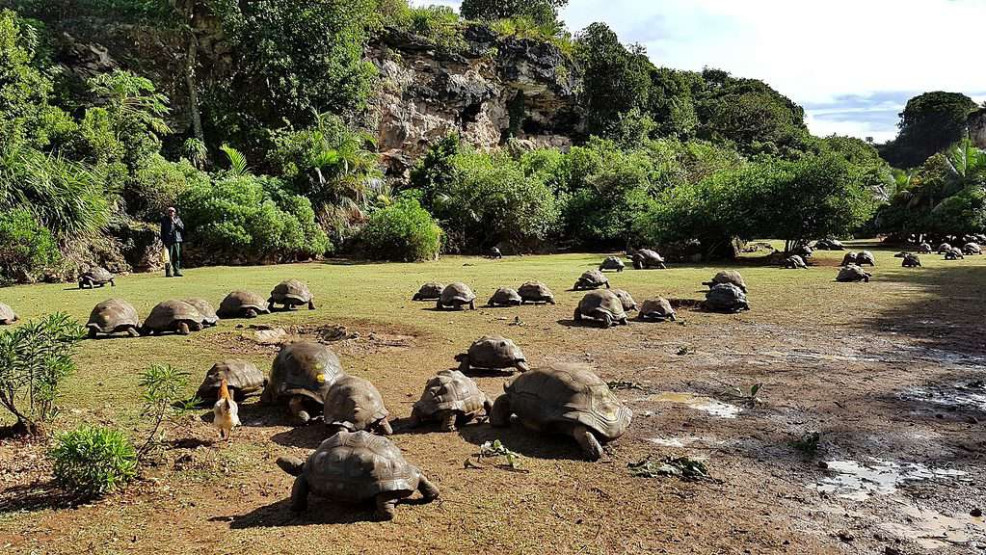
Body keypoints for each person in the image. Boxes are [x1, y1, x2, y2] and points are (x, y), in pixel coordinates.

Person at [160, 207, 185, 277]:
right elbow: (162, 231)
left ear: (175, 212)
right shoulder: (164, 220)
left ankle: (177, 271)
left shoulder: (178, 219)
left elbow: (182, 228)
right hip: (168, 241)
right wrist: (163, 241)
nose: (171, 213)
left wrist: (174, 222)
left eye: (172, 211)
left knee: (177, 256)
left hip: (177, 240)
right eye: (169, 211)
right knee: (168, 257)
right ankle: (168, 272)